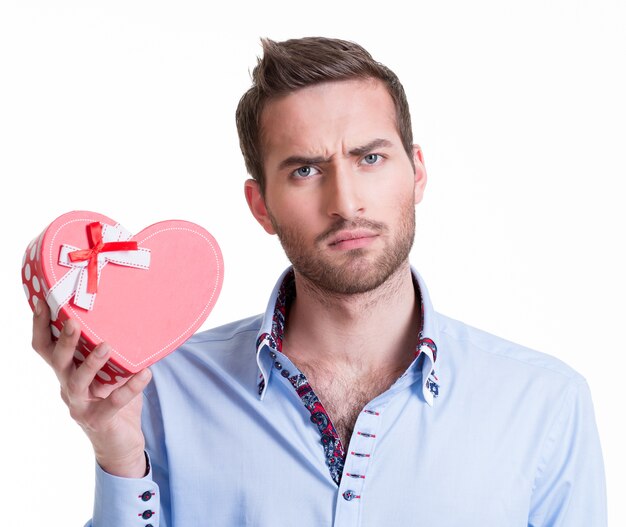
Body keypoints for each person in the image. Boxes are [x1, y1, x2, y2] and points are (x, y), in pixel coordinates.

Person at [32, 37, 607, 526]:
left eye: (371, 158)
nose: (346, 201)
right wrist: (117, 452)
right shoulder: (158, 391)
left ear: (418, 173)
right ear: (261, 206)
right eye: (305, 170)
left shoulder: (545, 404)